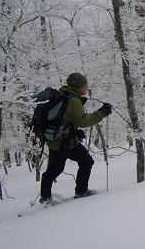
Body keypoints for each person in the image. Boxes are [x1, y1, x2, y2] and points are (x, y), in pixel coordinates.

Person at [40, 73, 112, 203]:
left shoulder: (63, 94)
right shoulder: (73, 100)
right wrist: (101, 113)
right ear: (79, 87)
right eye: (85, 85)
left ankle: (45, 198)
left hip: (57, 140)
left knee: (56, 170)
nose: (87, 87)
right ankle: (79, 192)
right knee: (82, 163)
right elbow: (82, 122)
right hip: (65, 142)